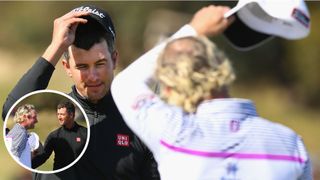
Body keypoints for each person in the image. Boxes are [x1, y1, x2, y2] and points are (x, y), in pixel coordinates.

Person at [111, 6, 313, 180]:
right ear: (223, 70)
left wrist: (195, 29)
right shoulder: (291, 144)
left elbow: (124, 83)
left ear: (172, 90)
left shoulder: (175, 132)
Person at [2, 5, 161, 180]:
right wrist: (56, 46)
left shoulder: (139, 122)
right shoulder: (55, 133)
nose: (93, 76)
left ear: (114, 60)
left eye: (100, 64)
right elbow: (10, 112)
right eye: (82, 66)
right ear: (67, 67)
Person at [32, 101, 87, 170]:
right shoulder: (54, 136)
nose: (59, 117)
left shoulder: (85, 133)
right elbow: (43, 157)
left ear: (71, 115)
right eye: (58, 114)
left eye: (62, 114)